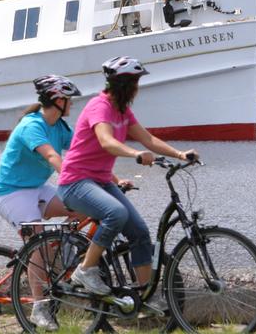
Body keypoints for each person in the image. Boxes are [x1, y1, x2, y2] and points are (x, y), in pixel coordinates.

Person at [57, 57, 197, 301]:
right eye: (136, 82)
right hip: (75, 183)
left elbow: (148, 139)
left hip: (100, 181)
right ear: (125, 84)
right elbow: (106, 140)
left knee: (140, 232)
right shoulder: (99, 106)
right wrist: (135, 154)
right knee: (116, 213)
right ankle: (85, 270)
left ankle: (145, 296)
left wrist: (179, 154)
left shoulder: (123, 110)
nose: (137, 88)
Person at [0, 75, 83, 331]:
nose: (72, 105)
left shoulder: (60, 127)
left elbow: (82, 151)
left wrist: (107, 175)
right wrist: (72, 177)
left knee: (83, 208)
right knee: (37, 243)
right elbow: (52, 155)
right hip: (11, 193)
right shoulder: (32, 126)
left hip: (36, 188)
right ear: (57, 100)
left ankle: (57, 254)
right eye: (68, 100)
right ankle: (39, 308)